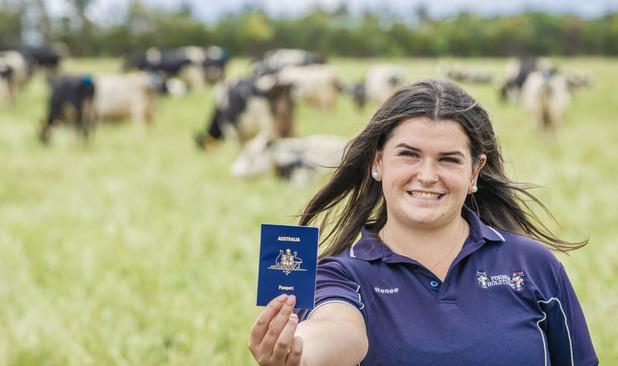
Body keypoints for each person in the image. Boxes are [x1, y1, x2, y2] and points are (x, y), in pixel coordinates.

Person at [248, 79, 598, 365]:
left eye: (448, 159)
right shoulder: (338, 273)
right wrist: (302, 352)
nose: (427, 175)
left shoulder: (534, 265)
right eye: (409, 155)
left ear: (474, 172)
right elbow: (338, 329)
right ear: (378, 163)